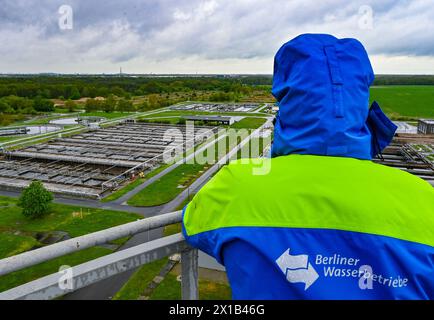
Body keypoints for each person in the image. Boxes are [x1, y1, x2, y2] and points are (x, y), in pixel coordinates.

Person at [182, 34, 434, 299]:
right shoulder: (424, 201)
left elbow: (192, 224)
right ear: (360, 100)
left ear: (286, 100)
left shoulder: (234, 188)